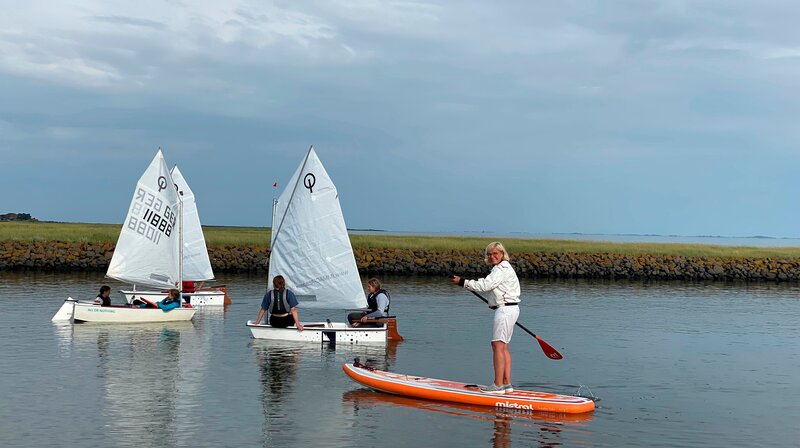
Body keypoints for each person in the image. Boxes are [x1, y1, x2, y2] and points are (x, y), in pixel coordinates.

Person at [451, 242, 520, 395]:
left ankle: (498, 385)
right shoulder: (506, 267)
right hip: (510, 309)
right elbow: (498, 289)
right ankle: (507, 384)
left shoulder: (500, 269)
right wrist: (493, 302)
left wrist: (463, 282)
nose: (492, 256)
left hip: (505, 310)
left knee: (497, 345)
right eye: (489, 254)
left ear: (502, 254)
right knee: (503, 346)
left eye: (495, 253)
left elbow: (485, 285)